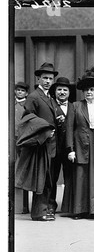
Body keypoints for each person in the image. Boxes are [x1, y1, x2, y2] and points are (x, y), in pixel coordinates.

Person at [62, 66, 94, 220]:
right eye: (86, 90)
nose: (89, 92)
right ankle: (80, 210)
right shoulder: (75, 106)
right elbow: (70, 128)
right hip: (81, 145)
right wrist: (70, 149)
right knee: (81, 177)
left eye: (92, 89)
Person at [21, 62, 59, 221]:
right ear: (38, 79)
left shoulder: (49, 96)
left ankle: (45, 208)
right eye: (44, 78)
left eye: (50, 78)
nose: (48, 81)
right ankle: (38, 212)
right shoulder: (33, 96)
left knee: (48, 178)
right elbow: (28, 120)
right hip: (40, 144)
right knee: (41, 179)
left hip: (50, 144)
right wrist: (44, 131)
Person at [49, 77, 74, 213]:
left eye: (65, 90)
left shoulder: (74, 106)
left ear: (69, 92)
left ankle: (69, 206)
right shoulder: (50, 105)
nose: (62, 92)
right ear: (55, 91)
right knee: (52, 178)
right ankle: (51, 205)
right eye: (59, 89)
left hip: (69, 149)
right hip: (54, 147)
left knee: (70, 177)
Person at [14, 82, 30, 214]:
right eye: (18, 90)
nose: (19, 92)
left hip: (23, 139)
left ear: (26, 93)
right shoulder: (11, 104)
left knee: (22, 168)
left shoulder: (27, 105)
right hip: (12, 139)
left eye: (22, 91)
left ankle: (23, 206)